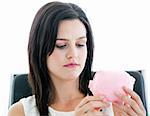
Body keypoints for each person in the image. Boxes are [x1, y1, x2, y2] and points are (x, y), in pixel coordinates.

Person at [8, 1, 146, 116]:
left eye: (80, 44)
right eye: (61, 45)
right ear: (40, 49)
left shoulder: (115, 107)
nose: (73, 54)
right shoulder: (21, 112)